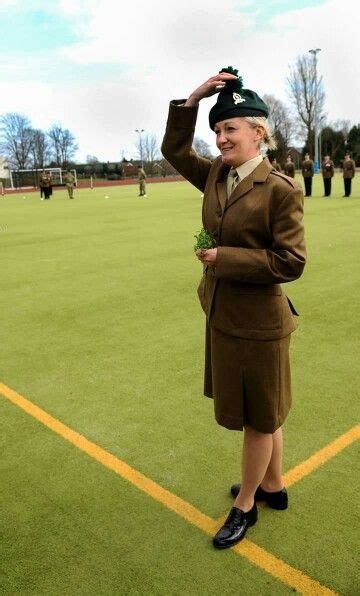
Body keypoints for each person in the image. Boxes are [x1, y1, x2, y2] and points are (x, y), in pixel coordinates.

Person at [161, 67, 306, 550]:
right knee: (263, 413)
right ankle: (273, 486)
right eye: (218, 130)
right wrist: (195, 99)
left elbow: (291, 261)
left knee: (258, 419)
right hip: (224, 314)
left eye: (230, 128)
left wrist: (226, 259)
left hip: (260, 323)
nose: (221, 138)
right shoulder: (217, 175)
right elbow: (175, 151)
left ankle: (245, 505)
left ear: (258, 131)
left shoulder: (281, 189)